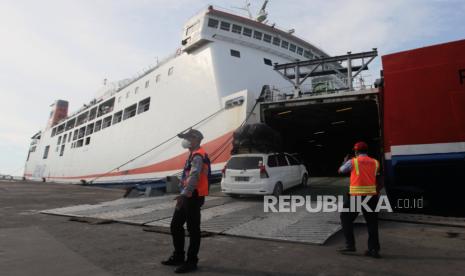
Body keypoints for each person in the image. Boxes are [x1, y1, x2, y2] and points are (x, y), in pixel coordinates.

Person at [161, 129, 210, 273]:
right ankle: (178, 256)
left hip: (193, 196)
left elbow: (194, 176)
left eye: (187, 137)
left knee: (193, 230)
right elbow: (188, 176)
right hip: (187, 195)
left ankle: (191, 262)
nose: (185, 140)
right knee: (175, 225)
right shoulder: (192, 155)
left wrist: (184, 194)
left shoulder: (198, 156)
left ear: (195, 139)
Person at [337, 141, 381, 258]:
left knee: (345, 218)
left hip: (356, 196)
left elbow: (340, 170)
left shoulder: (353, 162)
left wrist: (345, 161)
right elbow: (375, 176)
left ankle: (350, 245)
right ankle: (374, 250)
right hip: (371, 197)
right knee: (372, 223)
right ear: (367, 151)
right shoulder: (375, 162)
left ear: (356, 151)